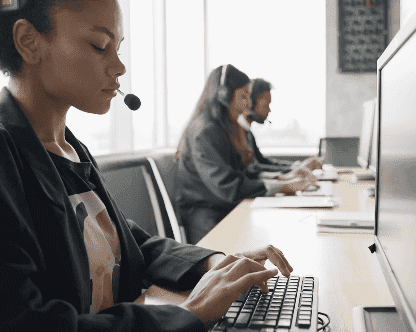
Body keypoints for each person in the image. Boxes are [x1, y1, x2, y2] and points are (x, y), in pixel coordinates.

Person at [0, 1, 294, 331]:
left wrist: (215, 262)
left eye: (118, 48)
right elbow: (24, 322)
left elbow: (126, 243)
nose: (120, 67)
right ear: (28, 41)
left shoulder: (71, 149)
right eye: (100, 46)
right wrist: (190, 312)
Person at [174, 65, 312, 245]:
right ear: (223, 95)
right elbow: (229, 186)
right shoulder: (205, 131)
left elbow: (247, 171)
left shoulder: (225, 128)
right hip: (208, 214)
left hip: (224, 208)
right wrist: (282, 186)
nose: (249, 104)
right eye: (244, 96)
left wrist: (283, 181)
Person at [243, 78, 324, 181]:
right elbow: (254, 168)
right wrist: (294, 169)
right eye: (266, 105)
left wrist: (295, 167)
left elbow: (262, 161)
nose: (269, 110)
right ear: (251, 102)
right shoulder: (239, 132)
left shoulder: (247, 131)